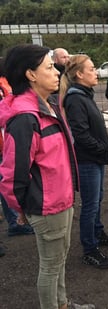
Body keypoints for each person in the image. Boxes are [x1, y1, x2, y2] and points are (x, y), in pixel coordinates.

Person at [0, 44, 93, 309]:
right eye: (49, 67)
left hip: (62, 200)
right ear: (30, 74)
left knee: (59, 259)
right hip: (46, 206)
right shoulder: (24, 119)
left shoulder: (48, 105)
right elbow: (11, 176)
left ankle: (62, 304)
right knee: (50, 266)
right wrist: (20, 208)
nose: (57, 72)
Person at [61, 54, 108, 269]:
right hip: (88, 160)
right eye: (92, 68)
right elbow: (81, 134)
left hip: (96, 157)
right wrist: (102, 148)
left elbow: (92, 128)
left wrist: (106, 144)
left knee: (98, 199)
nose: (96, 72)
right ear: (79, 74)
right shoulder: (75, 98)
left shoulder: (84, 95)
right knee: (90, 204)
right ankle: (90, 249)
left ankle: (98, 232)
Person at [0, 57, 35, 237]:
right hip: (4, 142)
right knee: (8, 180)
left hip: (5, 142)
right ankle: (15, 221)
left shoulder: (6, 84)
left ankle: (15, 221)